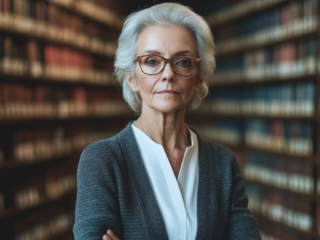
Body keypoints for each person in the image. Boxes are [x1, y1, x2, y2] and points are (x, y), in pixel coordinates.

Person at [73, 3, 262, 240]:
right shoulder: (102, 161)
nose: (168, 73)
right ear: (131, 77)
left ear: (199, 78)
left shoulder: (223, 165)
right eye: (152, 61)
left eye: (182, 62)